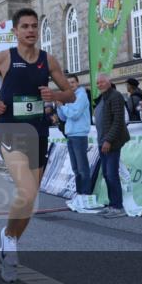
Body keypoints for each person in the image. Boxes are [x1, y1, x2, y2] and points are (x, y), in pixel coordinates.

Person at [0, 8, 75, 283]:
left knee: (30, 201)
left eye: (34, 26)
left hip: (38, 132)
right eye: (25, 27)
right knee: (27, 190)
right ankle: (9, 244)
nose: (31, 31)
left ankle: (9, 239)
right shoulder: (4, 58)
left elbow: (70, 95)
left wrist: (54, 94)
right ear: (16, 31)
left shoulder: (48, 61)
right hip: (10, 130)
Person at [93, 74, 131, 217]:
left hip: (112, 142)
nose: (99, 84)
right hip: (102, 142)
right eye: (98, 82)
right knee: (107, 175)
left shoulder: (115, 96)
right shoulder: (103, 98)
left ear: (109, 82)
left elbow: (118, 121)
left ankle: (118, 207)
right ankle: (112, 204)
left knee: (112, 174)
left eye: (102, 81)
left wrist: (108, 140)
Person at [56, 74, 93, 211]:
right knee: (76, 168)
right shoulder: (70, 97)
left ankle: (86, 194)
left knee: (82, 168)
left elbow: (75, 114)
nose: (70, 84)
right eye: (68, 82)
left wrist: (63, 107)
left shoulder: (81, 95)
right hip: (71, 134)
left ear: (77, 83)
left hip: (79, 134)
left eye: (72, 82)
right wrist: (59, 106)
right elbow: (64, 117)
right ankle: (79, 194)